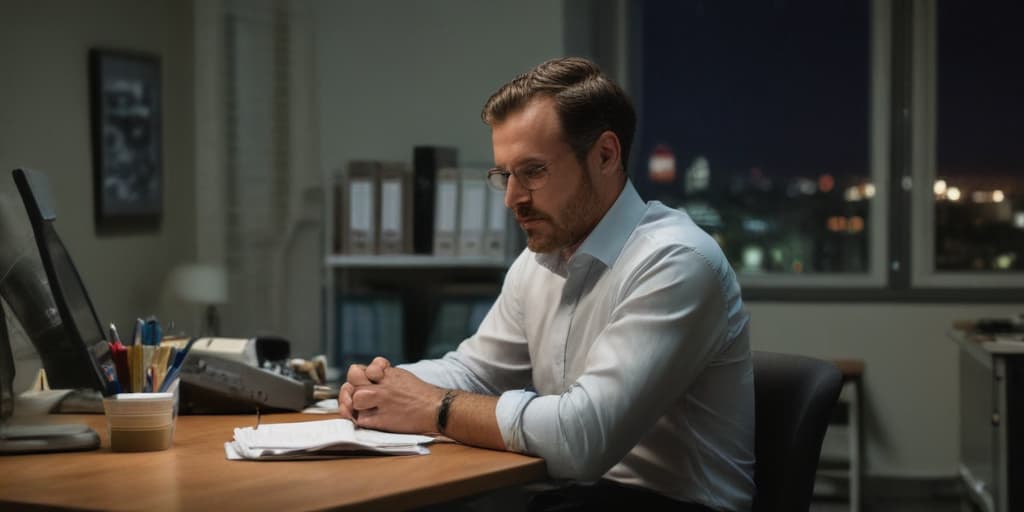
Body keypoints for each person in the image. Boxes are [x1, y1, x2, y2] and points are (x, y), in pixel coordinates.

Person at [339, 57, 755, 512]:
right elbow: (476, 371)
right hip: (578, 497)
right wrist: (386, 385)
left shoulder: (675, 261)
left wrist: (434, 407)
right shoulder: (540, 261)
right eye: (504, 176)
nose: (513, 199)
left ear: (605, 156)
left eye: (533, 172)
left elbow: (582, 438)